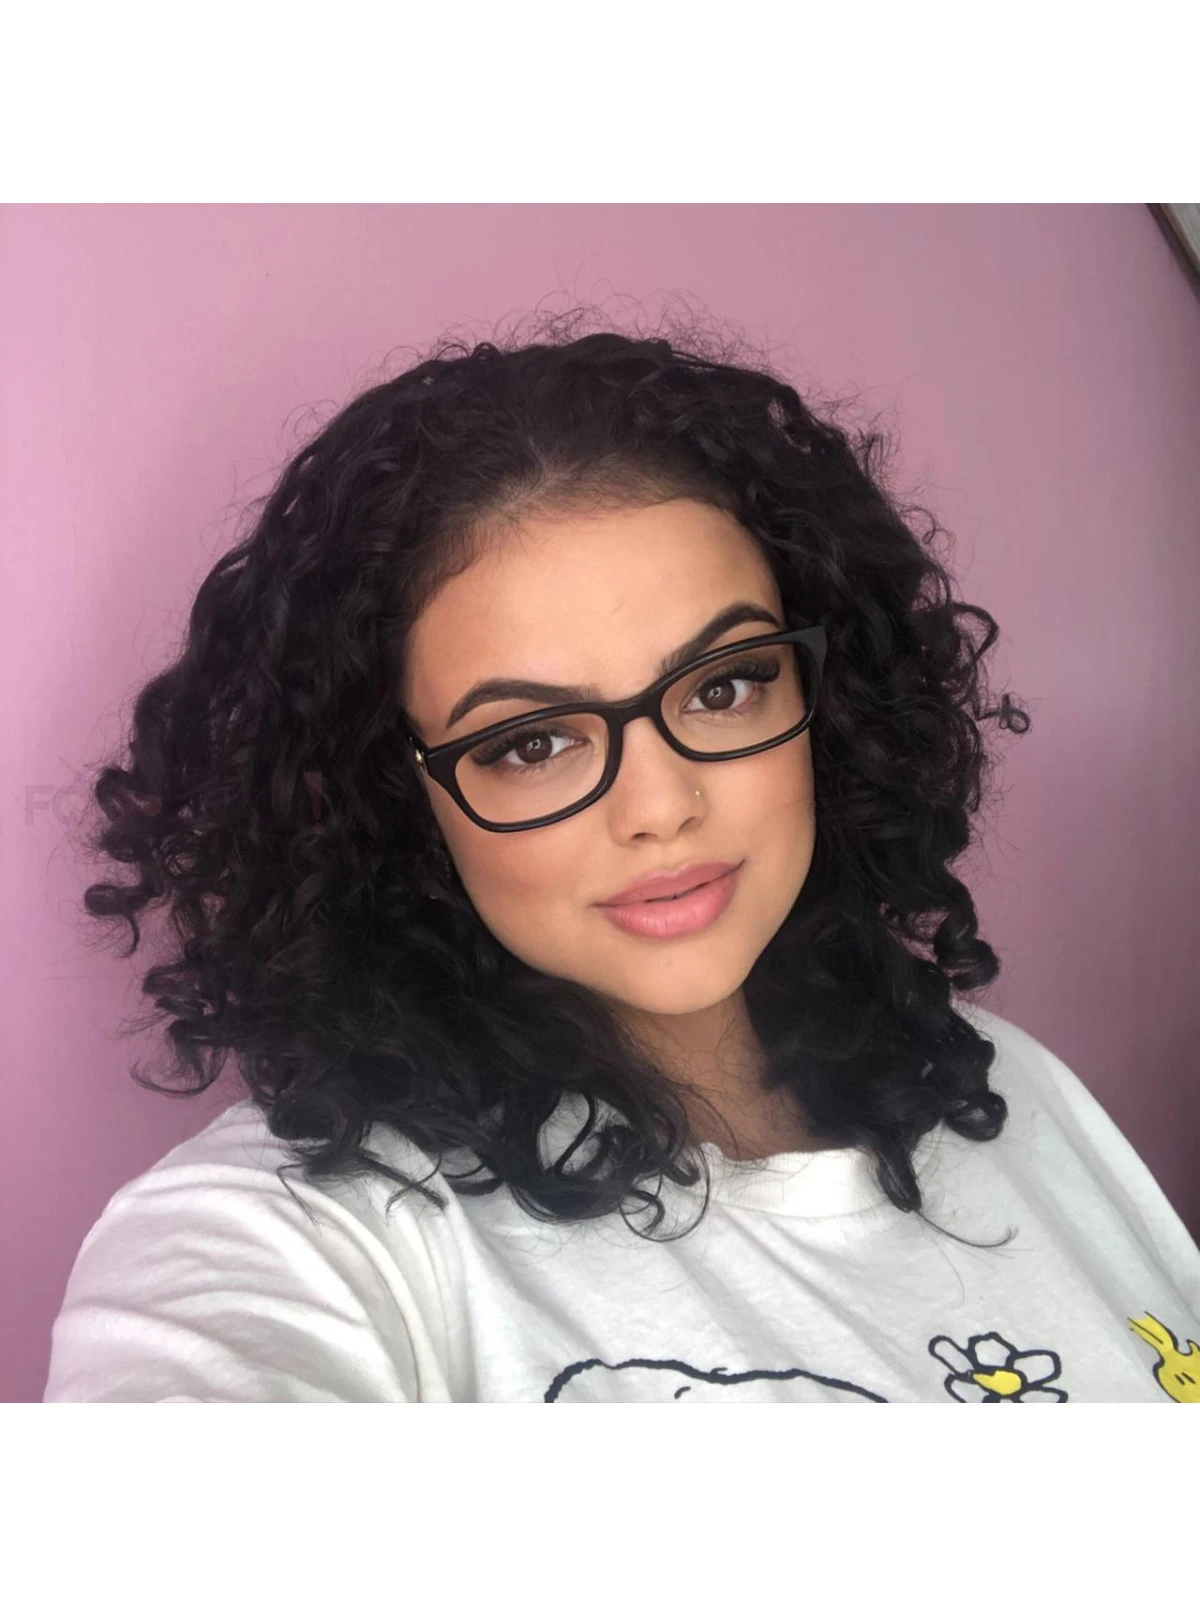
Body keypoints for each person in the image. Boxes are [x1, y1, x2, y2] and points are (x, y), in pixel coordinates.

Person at [44, 314, 1200, 1402]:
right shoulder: (288, 1237)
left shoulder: (1003, 1080)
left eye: (725, 684)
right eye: (530, 742)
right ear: (398, 799)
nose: (661, 806)